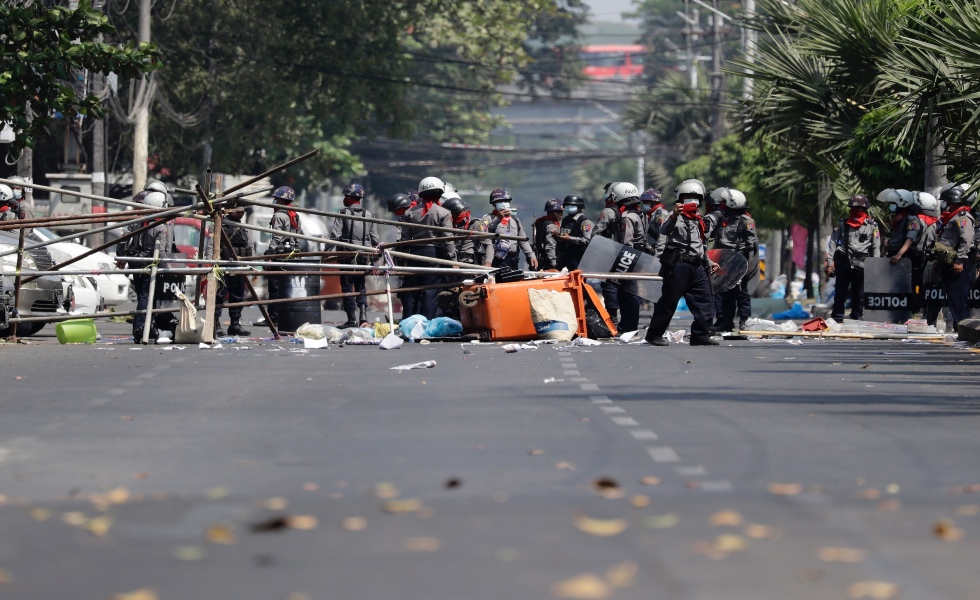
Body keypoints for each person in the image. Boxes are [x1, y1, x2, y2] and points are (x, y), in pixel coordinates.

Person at [643, 179, 719, 346]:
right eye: (687, 197)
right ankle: (654, 334)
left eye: (695, 197)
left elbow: (701, 245)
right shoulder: (673, 216)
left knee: (705, 301)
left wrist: (709, 261)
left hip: (697, 266)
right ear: (679, 199)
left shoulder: (699, 219)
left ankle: (700, 335)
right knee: (668, 302)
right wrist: (675, 215)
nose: (692, 200)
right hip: (679, 265)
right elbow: (665, 230)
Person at [115, 190, 175, 343]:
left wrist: (122, 257)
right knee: (146, 296)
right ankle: (141, 328)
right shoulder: (160, 227)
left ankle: (147, 327)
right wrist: (165, 266)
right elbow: (161, 251)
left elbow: (122, 239)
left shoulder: (136, 222)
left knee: (145, 296)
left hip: (135, 263)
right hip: (150, 264)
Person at [400, 176, 457, 319]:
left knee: (411, 290)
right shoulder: (443, 212)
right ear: (439, 193)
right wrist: (453, 260)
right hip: (434, 253)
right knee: (431, 291)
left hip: (414, 253)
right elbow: (448, 239)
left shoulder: (410, 212)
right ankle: (427, 323)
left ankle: (407, 321)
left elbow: (405, 239)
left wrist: (404, 260)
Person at [330, 183, 379, 328]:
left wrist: (326, 252)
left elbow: (335, 235)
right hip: (364, 256)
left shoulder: (343, 213)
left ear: (351, 198)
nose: (344, 198)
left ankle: (351, 320)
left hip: (347, 255)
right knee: (360, 286)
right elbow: (375, 239)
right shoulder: (369, 215)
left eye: (346, 196)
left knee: (347, 287)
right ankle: (363, 317)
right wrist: (376, 257)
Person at [825, 194, 881, 322]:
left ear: (865, 210)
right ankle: (837, 318)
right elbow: (833, 243)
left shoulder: (872, 226)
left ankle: (856, 318)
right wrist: (830, 264)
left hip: (862, 263)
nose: (857, 212)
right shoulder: (842, 224)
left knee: (859, 294)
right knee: (840, 293)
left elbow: (876, 247)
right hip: (844, 261)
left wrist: (875, 265)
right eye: (854, 209)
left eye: (860, 209)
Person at [711, 188, 758, 332]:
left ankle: (744, 320)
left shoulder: (746, 221)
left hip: (739, 261)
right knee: (724, 292)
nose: (721, 205)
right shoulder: (722, 219)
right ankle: (726, 321)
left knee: (742, 293)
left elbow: (752, 246)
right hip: (724, 261)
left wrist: (749, 267)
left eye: (724, 202)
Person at [932, 183, 976, 328]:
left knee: (958, 299)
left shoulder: (962, 217)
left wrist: (959, 260)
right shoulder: (951, 217)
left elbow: (967, 240)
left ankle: (963, 329)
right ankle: (960, 329)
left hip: (958, 263)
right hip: (948, 262)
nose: (946, 205)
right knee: (952, 297)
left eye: (948, 202)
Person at [210, 206, 253, 337]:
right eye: (237, 210)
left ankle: (235, 324)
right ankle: (215, 324)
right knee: (219, 295)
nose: (240, 213)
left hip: (238, 266)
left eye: (242, 211)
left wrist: (251, 265)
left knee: (237, 295)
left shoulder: (244, 227)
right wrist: (210, 264)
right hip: (223, 265)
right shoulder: (220, 224)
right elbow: (211, 245)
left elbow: (249, 246)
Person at [612, 182, 646, 332]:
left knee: (626, 293)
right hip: (639, 256)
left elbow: (627, 242)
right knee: (631, 292)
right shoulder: (639, 213)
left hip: (629, 257)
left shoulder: (628, 217)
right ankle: (629, 325)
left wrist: (624, 262)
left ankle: (628, 326)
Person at [265, 186, 301, 328]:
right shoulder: (295, 214)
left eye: (276, 199)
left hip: (279, 254)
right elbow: (299, 235)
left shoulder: (279, 215)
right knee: (287, 287)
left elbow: (277, 237)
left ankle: (274, 317)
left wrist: (270, 255)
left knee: (275, 287)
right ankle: (285, 317)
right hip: (292, 254)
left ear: (280, 199)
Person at [478, 188, 537, 270]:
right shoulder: (486, 218)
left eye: (506, 201)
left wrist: (531, 255)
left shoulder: (515, 220)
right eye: (501, 201)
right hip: (496, 260)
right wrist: (497, 219)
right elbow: (483, 235)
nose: (505, 204)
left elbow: (523, 240)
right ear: (494, 204)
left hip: (513, 259)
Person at [593, 183, 622, 321]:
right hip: (629, 253)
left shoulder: (608, 212)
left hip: (610, 252)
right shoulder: (632, 212)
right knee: (626, 285)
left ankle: (613, 317)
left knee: (609, 284)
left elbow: (596, 232)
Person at [387, 192, 416, 320]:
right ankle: (407, 318)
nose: (394, 214)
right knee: (404, 292)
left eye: (395, 211)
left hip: (410, 259)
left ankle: (409, 318)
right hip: (403, 259)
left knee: (408, 292)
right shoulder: (406, 217)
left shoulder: (411, 216)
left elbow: (406, 240)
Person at [441, 196, 487, 266]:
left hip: (470, 263)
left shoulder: (477, 223)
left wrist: (488, 263)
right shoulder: (447, 224)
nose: (464, 211)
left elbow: (488, 244)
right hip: (451, 262)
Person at [556, 195, 593, 270]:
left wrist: (569, 238)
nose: (569, 207)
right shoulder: (566, 220)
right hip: (564, 256)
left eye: (572, 206)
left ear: (579, 207)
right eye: (567, 205)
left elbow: (586, 240)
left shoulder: (585, 222)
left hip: (577, 258)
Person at [532, 198, 564, 270]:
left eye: (562, 211)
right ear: (551, 212)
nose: (561, 214)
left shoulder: (542, 222)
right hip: (548, 260)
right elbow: (550, 245)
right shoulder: (551, 225)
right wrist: (553, 263)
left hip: (542, 258)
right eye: (558, 211)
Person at [641, 188, 669, 257]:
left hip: (658, 252)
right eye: (644, 202)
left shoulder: (660, 214)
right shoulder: (650, 214)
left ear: (654, 202)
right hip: (650, 250)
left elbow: (663, 235)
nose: (644, 204)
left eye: (647, 202)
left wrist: (657, 255)